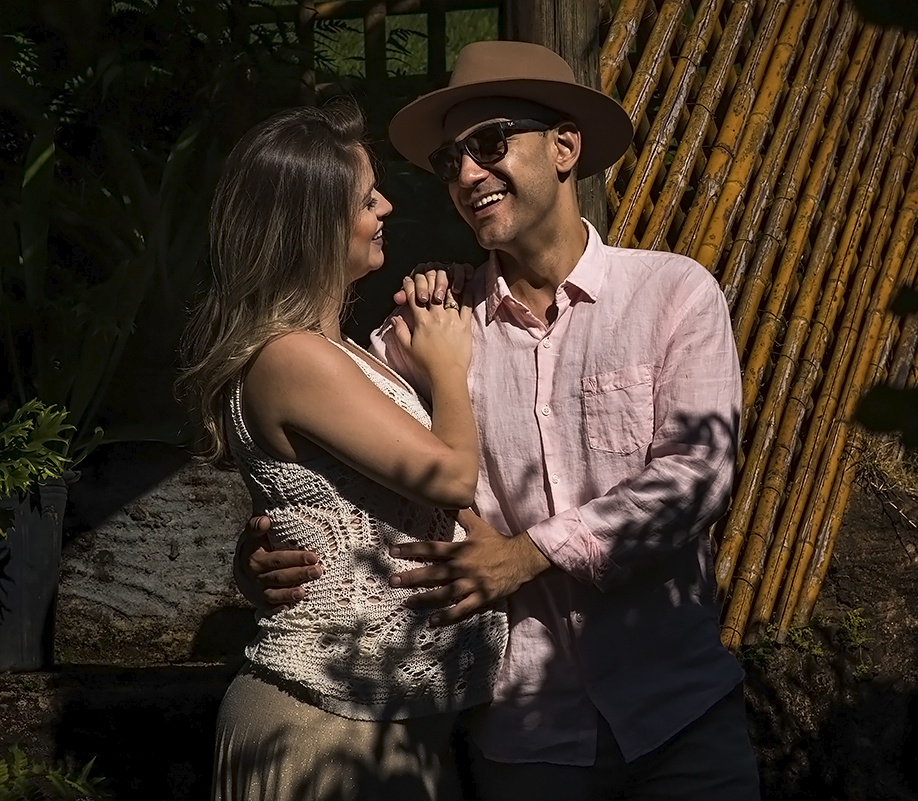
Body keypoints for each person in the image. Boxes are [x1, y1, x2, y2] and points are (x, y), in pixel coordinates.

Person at [238, 42, 761, 800]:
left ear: (564, 147)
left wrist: (530, 554)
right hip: (524, 735)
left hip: (680, 717)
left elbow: (696, 477)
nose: (466, 175)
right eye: (451, 159)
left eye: (489, 145)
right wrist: (265, 550)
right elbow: (327, 465)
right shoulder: (423, 332)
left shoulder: (673, 294)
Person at [177, 101, 506, 801]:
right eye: (366, 198)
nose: (386, 205)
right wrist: (449, 369)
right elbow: (448, 476)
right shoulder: (293, 356)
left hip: (388, 723)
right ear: (314, 226)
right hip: (325, 726)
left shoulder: (342, 353)